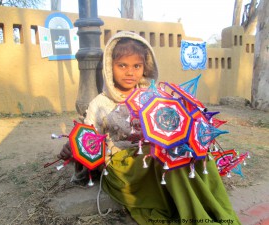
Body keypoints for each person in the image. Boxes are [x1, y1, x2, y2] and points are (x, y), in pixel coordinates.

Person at [58, 31, 241, 225]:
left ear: (145, 67)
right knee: (167, 155)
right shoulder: (99, 103)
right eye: (122, 65)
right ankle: (195, 215)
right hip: (123, 166)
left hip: (151, 154)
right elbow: (87, 142)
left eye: (137, 66)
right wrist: (73, 151)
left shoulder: (152, 96)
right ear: (110, 68)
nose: (130, 72)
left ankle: (212, 206)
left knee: (191, 147)